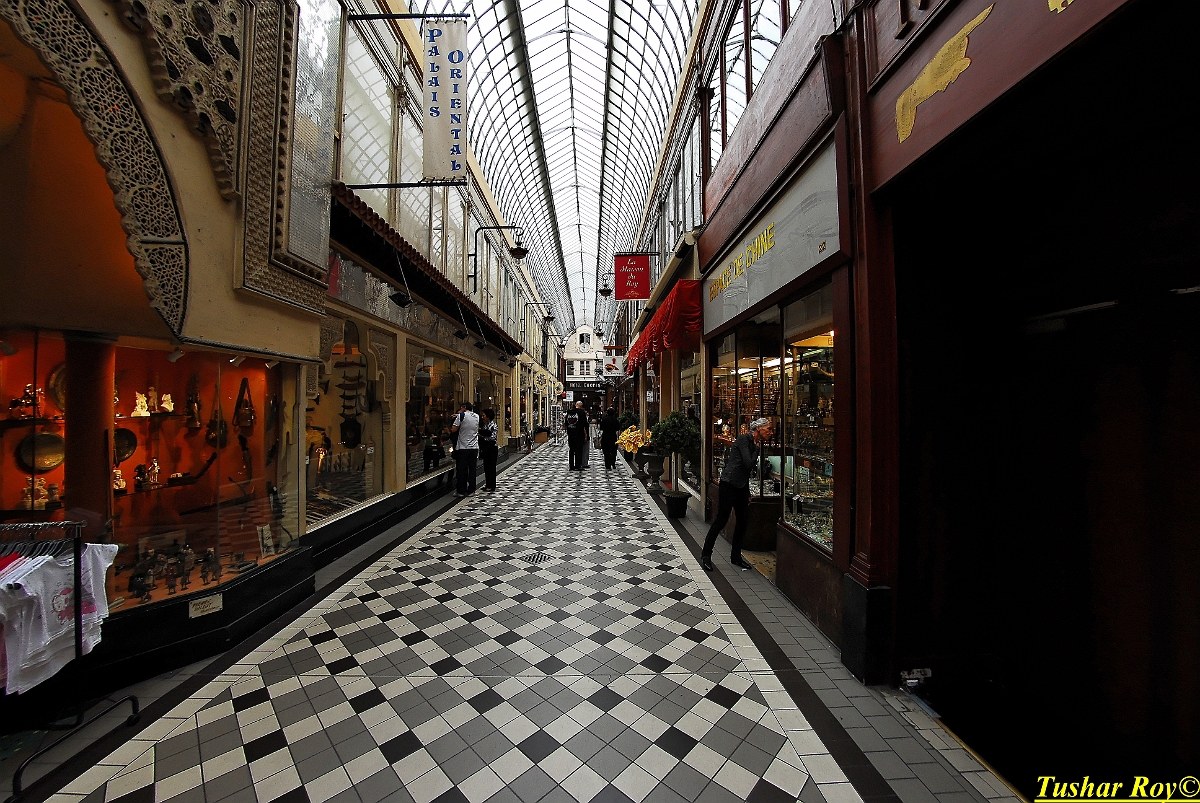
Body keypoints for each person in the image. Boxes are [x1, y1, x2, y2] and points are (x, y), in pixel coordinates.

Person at [701, 417, 774, 572]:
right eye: (768, 429)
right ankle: (706, 555)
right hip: (729, 484)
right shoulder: (744, 440)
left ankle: (736, 556)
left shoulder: (753, 443)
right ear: (758, 428)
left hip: (741, 486)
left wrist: (747, 492)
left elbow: (745, 472)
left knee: (743, 521)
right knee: (721, 520)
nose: (770, 432)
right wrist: (757, 449)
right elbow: (748, 463)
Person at [450, 401, 480, 497]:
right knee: (472, 469)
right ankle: (471, 490)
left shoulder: (461, 416)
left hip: (463, 447)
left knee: (462, 469)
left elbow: (453, 429)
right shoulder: (477, 416)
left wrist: (457, 417)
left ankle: (461, 491)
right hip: (474, 447)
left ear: (464, 407)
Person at [479, 408, 499, 492]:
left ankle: (491, 485)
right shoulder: (485, 425)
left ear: (488, 416)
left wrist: (482, 434)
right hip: (486, 447)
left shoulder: (493, 425)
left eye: (484, 415)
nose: (482, 417)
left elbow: (491, 436)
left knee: (491, 467)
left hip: (492, 447)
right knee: (486, 467)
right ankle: (488, 484)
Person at [565, 401, 587, 471]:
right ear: (581, 406)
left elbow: (566, 423)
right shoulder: (581, 413)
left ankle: (571, 466)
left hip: (570, 433)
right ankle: (578, 465)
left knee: (571, 450)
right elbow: (584, 424)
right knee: (579, 450)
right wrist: (586, 434)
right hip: (579, 433)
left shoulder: (569, 413)